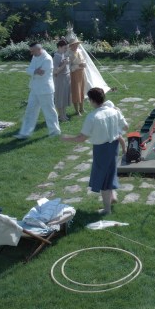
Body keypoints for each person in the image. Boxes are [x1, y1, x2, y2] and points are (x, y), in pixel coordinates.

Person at [62, 87, 127, 215]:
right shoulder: (114, 111)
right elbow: (125, 126)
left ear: (92, 100)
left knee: (102, 177)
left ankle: (107, 209)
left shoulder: (92, 117)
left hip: (101, 149)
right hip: (114, 146)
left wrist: (67, 138)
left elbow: (81, 138)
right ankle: (112, 195)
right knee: (110, 170)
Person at [16, 42, 60, 139]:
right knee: (30, 111)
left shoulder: (47, 59)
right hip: (35, 89)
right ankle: (25, 133)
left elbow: (42, 75)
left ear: (39, 49)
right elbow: (29, 70)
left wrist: (33, 71)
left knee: (49, 111)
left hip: (45, 90)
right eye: (30, 51)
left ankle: (55, 131)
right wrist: (35, 71)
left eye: (32, 51)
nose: (31, 53)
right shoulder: (35, 57)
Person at [66, 33, 88, 116]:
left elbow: (84, 60)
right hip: (74, 74)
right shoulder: (68, 54)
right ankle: (77, 110)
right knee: (76, 91)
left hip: (81, 73)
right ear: (71, 46)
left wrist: (84, 64)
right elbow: (68, 67)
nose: (76, 46)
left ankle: (82, 108)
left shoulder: (79, 51)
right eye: (74, 45)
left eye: (77, 44)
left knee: (82, 90)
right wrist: (79, 65)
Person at [52, 38, 72, 123]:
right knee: (60, 97)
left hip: (66, 78)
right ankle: (61, 116)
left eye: (67, 48)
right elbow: (55, 71)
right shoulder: (56, 56)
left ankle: (63, 114)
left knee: (64, 97)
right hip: (60, 79)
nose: (66, 49)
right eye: (64, 48)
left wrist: (66, 63)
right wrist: (65, 63)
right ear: (59, 47)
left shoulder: (62, 54)